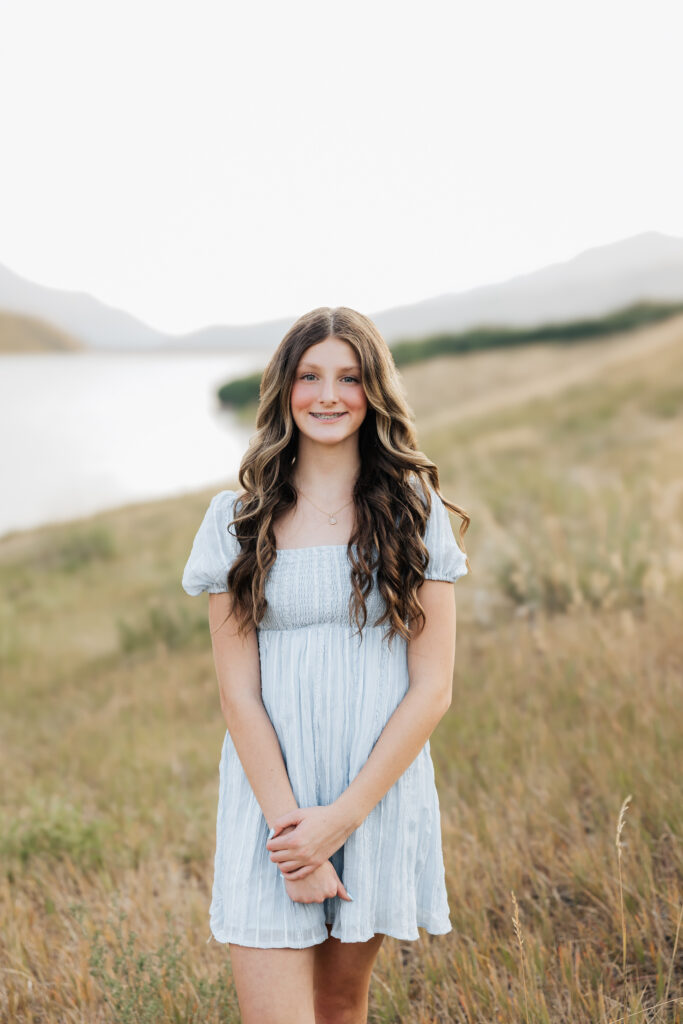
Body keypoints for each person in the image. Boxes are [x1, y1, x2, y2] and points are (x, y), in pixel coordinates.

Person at [181, 306, 470, 1024]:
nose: (328, 395)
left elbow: (432, 688)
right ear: (283, 390)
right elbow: (238, 696)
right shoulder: (234, 520)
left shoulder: (414, 511)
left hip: (372, 797)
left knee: (340, 1008)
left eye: (349, 377)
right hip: (271, 813)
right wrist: (298, 838)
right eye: (309, 376)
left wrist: (340, 821)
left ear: (374, 391)